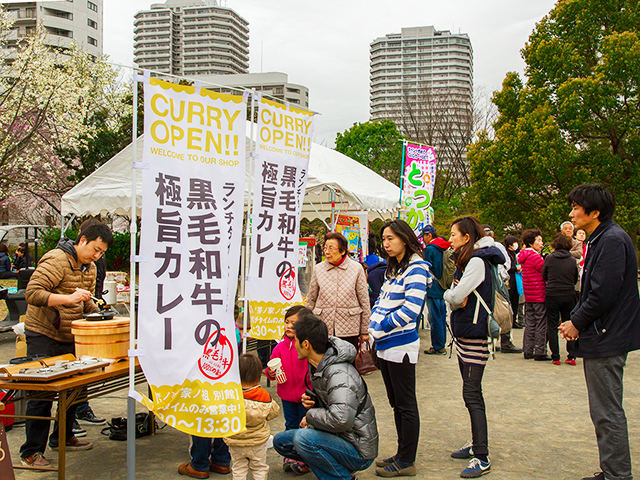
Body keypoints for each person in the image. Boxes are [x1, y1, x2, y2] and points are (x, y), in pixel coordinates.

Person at [559, 184, 640, 480]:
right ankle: (612, 470)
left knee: (607, 412)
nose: (572, 213)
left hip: (608, 336)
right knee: (604, 410)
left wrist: (576, 322)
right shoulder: (603, 238)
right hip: (604, 334)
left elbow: (602, 293)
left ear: (595, 212)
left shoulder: (612, 240)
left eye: (576, 208)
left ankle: (617, 474)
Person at [19, 222, 113, 468]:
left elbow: (87, 301)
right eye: (95, 249)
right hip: (44, 333)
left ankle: (64, 437)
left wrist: (99, 310)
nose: (97, 255)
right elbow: (32, 293)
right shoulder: (56, 260)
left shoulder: (90, 267)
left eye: (101, 253)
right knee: (43, 393)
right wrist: (68, 297)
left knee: (74, 388)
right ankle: (31, 452)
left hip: (71, 333)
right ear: (82, 240)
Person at [273, 314, 378, 480]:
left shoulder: (339, 374)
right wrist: (315, 402)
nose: (294, 345)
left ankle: (342, 477)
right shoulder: (319, 365)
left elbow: (342, 418)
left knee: (303, 438)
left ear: (306, 344)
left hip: (357, 448)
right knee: (281, 441)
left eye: (297, 341)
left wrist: (310, 416)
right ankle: (332, 468)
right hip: (339, 436)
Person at [443, 216, 503, 478]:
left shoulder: (476, 262)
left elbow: (455, 295)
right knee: (470, 393)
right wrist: (455, 298)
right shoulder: (469, 260)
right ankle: (475, 445)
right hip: (466, 333)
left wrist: (449, 296)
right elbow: (458, 298)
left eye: (454, 235)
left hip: (475, 334)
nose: (451, 239)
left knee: (472, 394)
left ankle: (482, 455)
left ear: (467, 238)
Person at [369, 219, 429, 477]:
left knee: (405, 404)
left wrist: (380, 326)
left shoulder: (417, 268)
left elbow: (410, 311)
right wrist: (374, 326)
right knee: (396, 403)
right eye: (383, 239)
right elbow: (382, 300)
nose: (386, 244)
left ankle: (407, 460)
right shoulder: (395, 268)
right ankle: (401, 453)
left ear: (405, 238)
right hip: (384, 345)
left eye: (390, 238)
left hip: (400, 345)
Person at [265, 305, 312, 474]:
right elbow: (270, 369)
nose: (289, 326)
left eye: (294, 323)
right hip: (286, 396)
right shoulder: (279, 348)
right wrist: (269, 372)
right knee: (290, 426)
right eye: (287, 322)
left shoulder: (307, 345)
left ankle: (305, 459)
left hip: (305, 396)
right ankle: (291, 456)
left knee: (305, 429)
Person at [306, 232, 371, 350]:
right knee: (323, 363)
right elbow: (311, 299)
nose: (327, 252)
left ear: (342, 251)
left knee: (347, 365)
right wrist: (306, 326)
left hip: (350, 328)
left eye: (331, 248)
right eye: (325, 248)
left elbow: (364, 301)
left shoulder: (356, 269)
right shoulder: (319, 269)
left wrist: (364, 331)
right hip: (323, 326)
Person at [223, 353, 279, 480]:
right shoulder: (263, 395)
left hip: (235, 440)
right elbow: (273, 412)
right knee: (259, 467)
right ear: (258, 377)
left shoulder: (230, 395)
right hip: (257, 441)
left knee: (238, 468)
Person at [482, 225, 522, 354]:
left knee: (492, 310)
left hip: (489, 282)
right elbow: (507, 263)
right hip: (498, 282)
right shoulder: (496, 246)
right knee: (504, 309)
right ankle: (504, 341)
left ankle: (493, 341)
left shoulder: (487, 247)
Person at [542, 233, 579, 366]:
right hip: (568, 293)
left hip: (552, 293)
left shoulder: (550, 258)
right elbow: (575, 278)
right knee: (570, 323)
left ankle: (555, 356)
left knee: (552, 325)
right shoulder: (572, 260)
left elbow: (544, 275)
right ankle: (571, 355)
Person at [518, 229, 550, 361]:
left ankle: (527, 349)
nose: (541, 243)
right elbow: (545, 272)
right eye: (539, 240)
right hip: (539, 294)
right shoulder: (536, 257)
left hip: (529, 294)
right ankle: (540, 350)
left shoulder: (524, 257)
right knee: (541, 322)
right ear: (531, 243)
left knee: (530, 322)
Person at [421, 224, 451, 355]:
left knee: (434, 318)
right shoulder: (444, 246)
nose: (423, 239)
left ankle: (438, 346)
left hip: (433, 286)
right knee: (441, 316)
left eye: (424, 236)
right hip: (443, 285)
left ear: (430, 235)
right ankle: (442, 343)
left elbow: (426, 267)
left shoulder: (430, 249)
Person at [503, 235, 523, 329]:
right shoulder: (506, 254)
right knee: (509, 301)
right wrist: (516, 268)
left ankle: (514, 320)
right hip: (509, 280)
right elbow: (507, 267)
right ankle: (508, 321)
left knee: (515, 301)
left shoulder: (514, 254)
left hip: (516, 280)